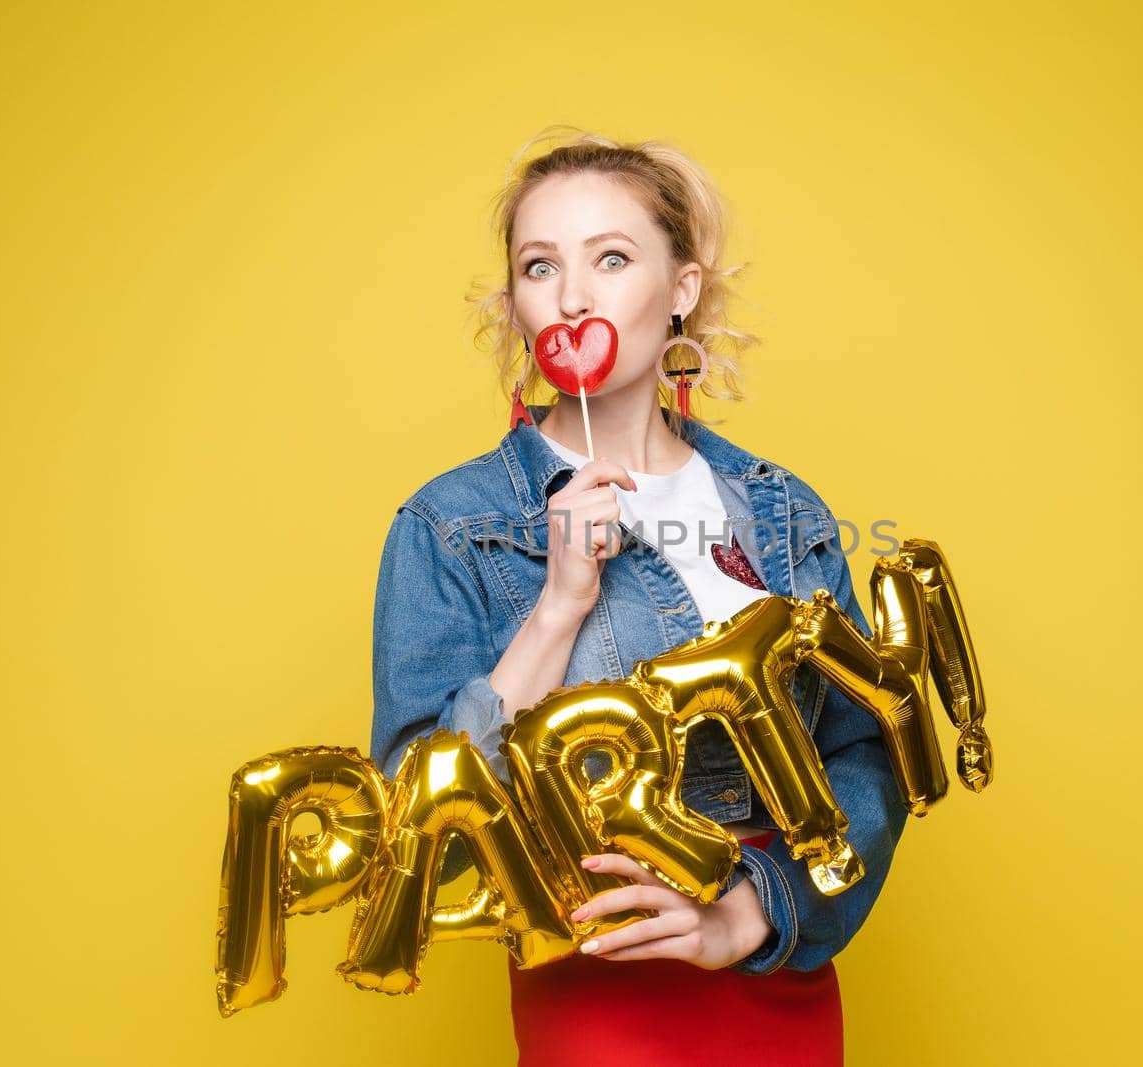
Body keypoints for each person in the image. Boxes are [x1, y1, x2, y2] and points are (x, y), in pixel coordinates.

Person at [369, 128, 908, 1066]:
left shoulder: (783, 510)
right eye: (541, 267)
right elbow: (422, 820)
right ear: (518, 304)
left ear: (682, 292)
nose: (573, 295)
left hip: (776, 981)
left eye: (611, 258)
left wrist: (751, 910)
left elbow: (865, 753)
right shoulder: (449, 522)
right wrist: (559, 604)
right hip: (599, 987)